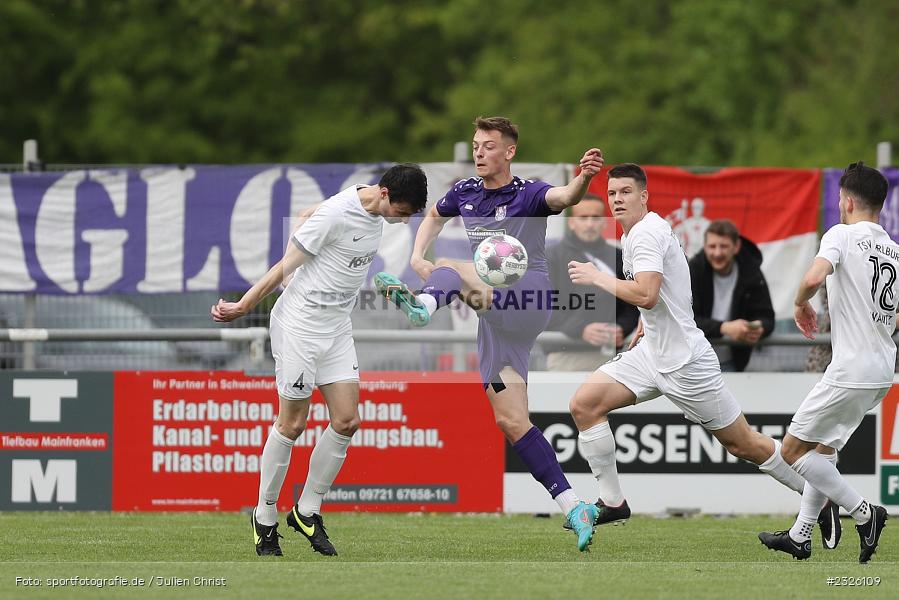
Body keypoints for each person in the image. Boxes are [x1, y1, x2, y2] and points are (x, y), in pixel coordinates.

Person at [565, 163, 838, 546]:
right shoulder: (639, 232)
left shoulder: (644, 234)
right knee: (584, 405)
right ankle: (614, 503)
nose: (616, 200)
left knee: (744, 444)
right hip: (651, 354)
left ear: (644, 196)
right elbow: (661, 292)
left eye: (625, 192)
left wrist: (598, 278)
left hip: (685, 363)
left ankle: (820, 498)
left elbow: (646, 292)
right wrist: (648, 320)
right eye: (612, 193)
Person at [374, 116, 605, 551]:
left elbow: (565, 196)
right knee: (512, 421)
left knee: (453, 270)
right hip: (495, 314)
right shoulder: (464, 192)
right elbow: (433, 215)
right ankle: (575, 506)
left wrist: (584, 179)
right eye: (476, 145)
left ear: (509, 152)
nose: (480, 152)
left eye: (488, 146)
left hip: (529, 298)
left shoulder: (529, 192)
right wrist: (418, 254)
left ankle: (423, 305)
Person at [212, 164, 428, 557]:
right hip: (299, 327)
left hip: (336, 329)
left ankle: (306, 510)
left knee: (347, 421)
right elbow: (283, 266)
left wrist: (304, 220)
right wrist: (244, 305)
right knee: (292, 424)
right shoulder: (337, 215)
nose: (403, 219)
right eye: (403, 211)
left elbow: (309, 214)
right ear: (384, 194)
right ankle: (264, 516)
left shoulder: (366, 205)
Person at [759, 162, 894, 563]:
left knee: (792, 450)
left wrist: (800, 302)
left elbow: (816, 275)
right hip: (882, 370)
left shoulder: (842, 234)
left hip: (851, 368)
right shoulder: (893, 250)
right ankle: (801, 535)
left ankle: (864, 513)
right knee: (823, 447)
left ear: (848, 201)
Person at [545, 193, 639, 370]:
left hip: (612, 356)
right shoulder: (551, 257)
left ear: (604, 222)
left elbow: (632, 304)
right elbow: (541, 306)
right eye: (583, 218)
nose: (589, 224)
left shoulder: (620, 257)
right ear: (571, 222)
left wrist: (622, 329)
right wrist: (581, 330)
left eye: (595, 218)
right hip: (566, 355)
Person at [689, 219, 775, 371]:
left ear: (736, 247)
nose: (717, 253)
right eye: (712, 246)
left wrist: (758, 328)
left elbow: (767, 317)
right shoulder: (694, 270)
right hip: (692, 361)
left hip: (732, 362)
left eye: (724, 246)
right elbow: (685, 320)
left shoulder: (752, 272)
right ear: (705, 247)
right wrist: (724, 328)